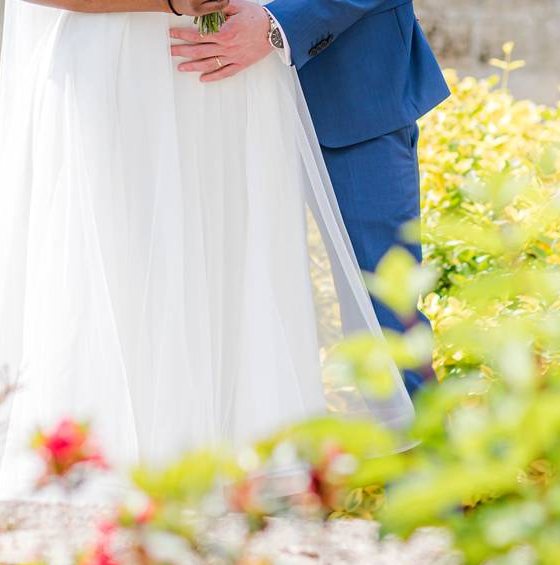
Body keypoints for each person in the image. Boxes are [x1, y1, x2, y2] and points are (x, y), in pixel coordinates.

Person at [0, 0, 415, 504]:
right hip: (130, 75)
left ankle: (429, 548)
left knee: (362, 313)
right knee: (116, 292)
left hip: (319, 74)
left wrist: (281, 22)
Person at [172, 0, 451, 395]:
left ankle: (417, 451)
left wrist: (280, 25)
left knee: (385, 318)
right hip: (198, 89)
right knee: (210, 304)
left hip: (353, 87)